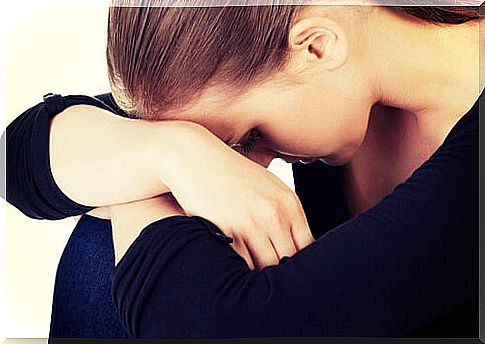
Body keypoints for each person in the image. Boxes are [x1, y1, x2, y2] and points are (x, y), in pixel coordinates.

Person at [2, 2, 481, 338]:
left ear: (316, 47)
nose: (242, 166)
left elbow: (221, 328)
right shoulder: (349, 81)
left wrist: (148, 181)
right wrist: (172, 153)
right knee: (108, 234)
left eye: (247, 137)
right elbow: (18, 158)